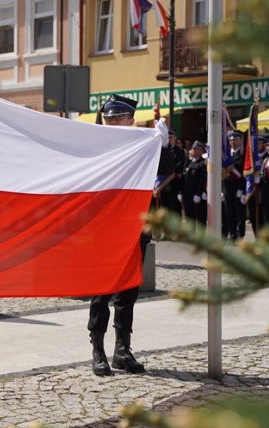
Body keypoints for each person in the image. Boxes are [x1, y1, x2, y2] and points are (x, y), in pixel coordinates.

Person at [88, 94, 168, 377]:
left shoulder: (144, 147)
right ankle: (97, 349)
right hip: (105, 229)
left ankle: (122, 349)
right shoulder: (97, 145)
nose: (112, 121)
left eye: (118, 117)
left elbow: (169, 173)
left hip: (135, 226)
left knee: (129, 289)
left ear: (131, 120)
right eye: (109, 117)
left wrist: (163, 146)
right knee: (102, 290)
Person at [223, 131, 247, 242]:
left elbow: (245, 173)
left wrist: (241, 189)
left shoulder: (244, 155)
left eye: (235, 139)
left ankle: (240, 235)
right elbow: (223, 172)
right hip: (227, 188)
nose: (232, 141)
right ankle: (232, 234)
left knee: (240, 214)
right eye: (231, 140)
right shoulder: (226, 155)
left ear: (241, 140)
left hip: (238, 188)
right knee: (229, 213)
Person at [180, 141, 208, 232]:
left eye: (195, 149)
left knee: (200, 217)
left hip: (196, 195)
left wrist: (198, 193)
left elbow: (202, 180)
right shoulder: (188, 162)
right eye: (192, 148)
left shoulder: (202, 163)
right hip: (187, 194)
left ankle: (201, 237)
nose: (192, 150)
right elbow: (183, 179)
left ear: (201, 151)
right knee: (189, 217)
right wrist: (180, 192)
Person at [247, 135, 269, 237]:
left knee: (264, 217)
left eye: (259, 144)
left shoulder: (268, 157)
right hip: (253, 191)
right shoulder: (252, 158)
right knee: (253, 216)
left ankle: (265, 239)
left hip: (264, 191)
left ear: (264, 144)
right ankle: (257, 237)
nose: (257, 146)